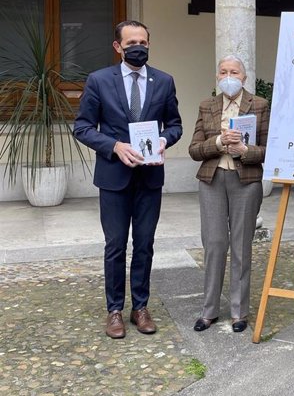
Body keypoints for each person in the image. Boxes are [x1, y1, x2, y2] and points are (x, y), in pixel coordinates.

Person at [73, 20, 183, 339]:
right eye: (132, 41)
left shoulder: (164, 81)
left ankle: (140, 307)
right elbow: (82, 127)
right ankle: (114, 311)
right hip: (114, 177)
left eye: (144, 42)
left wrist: (164, 139)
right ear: (118, 46)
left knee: (145, 244)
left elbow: (175, 124)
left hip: (150, 178)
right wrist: (114, 146)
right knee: (116, 245)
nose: (139, 47)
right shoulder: (98, 81)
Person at [188, 55, 269, 333]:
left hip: (245, 180)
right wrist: (219, 141)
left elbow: (270, 150)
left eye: (234, 71)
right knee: (214, 244)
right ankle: (209, 310)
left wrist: (245, 151)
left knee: (241, 244)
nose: (228, 76)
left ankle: (239, 311)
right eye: (223, 71)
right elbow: (194, 149)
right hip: (212, 179)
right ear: (217, 77)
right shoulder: (207, 105)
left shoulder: (259, 105)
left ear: (244, 77)